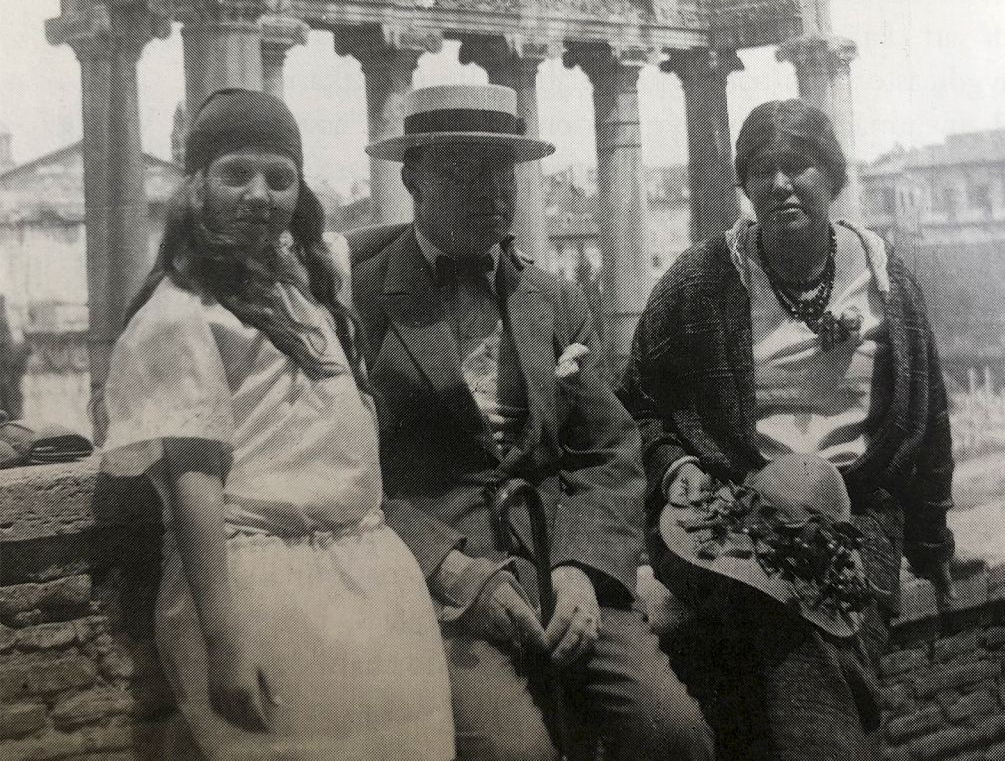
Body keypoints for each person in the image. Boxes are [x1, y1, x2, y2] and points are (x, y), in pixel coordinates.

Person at [352, 84, 713, 761]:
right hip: (439, 589)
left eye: (501, 170)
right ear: (412, 177)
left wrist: (582, 568)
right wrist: (451, 570)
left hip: (562, 572)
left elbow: (609, 450)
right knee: (516, 754)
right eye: (462, 169)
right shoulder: (361, 302)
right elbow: (347, 474)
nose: (488, 188)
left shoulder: (554, 297)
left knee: (674, 732)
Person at [101, 89, 456, 761]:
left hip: (370, 577)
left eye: (280, 177)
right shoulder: (180, 314)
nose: (260, 194)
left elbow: (382, 238)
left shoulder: (309, 278)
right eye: (236, 173)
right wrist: (225, 640)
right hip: (261, 584)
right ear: (196, 186)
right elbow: (197, 485)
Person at [619, 99, 956, 761]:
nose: (779, 184)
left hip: (857, 515)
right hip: (727, 514)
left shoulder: (887, 280)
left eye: (796, 166)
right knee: (796, 613)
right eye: (760, 170)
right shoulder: (700, 281)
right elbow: (634, 406)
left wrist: (933, 545)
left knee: (807, 620)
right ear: (744, 185)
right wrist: (673, 466)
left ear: (831, 175)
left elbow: (930, 419)